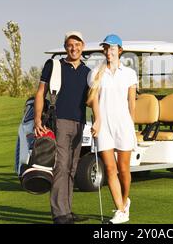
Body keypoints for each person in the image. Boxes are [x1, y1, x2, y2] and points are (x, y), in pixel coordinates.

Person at [34, 31, 95, 224]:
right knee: (60, 166)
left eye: (77, 45)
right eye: (70, 45)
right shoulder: (54, 66)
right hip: (59, 122)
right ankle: (60, 214)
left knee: (72, 167)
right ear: (65, 47)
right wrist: (37, 120)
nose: (74, 48)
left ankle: (67, 211)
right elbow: (41, 92)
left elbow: (92, 100)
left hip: (79, 123)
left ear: (82, 46)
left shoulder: (87, 72)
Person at [87, 34, 138, 224]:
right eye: (106, 48)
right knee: (110, 168)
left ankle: (124, 203)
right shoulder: (96, 73)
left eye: (113, 48)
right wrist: (97, 120)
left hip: (123, 125)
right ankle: (120, 210)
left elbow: (131, 104)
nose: (109, 51)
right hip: (104, 126)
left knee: (124, 169)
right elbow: (93, 100)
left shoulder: (129, 74)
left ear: (120, 50)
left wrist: (132, 127)